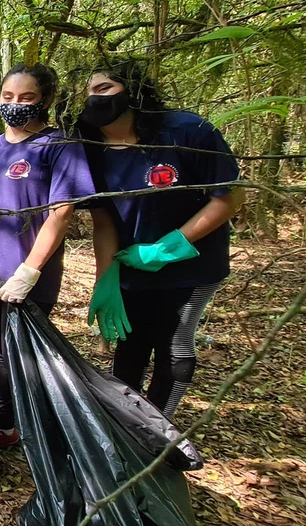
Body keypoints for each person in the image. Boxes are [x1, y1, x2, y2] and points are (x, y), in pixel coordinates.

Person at [78, 59, 242, 420]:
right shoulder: (89, 147)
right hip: (129, 261)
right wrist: (105, 277)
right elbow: (102, 218)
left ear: (133, 91)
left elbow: (228, 197)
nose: (95, 99)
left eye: (104, 89)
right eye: (88, 92)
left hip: (193, 264)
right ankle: (127, 422)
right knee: (131, 342)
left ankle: (161, 427)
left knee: (174, 340)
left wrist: (167, 248)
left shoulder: (186, 130)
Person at [0, 63, 95, 446]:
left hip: (30, 274)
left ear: (44, 101)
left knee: (28, 354)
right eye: (8, 97)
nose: (15, 104)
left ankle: (34, 427)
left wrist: (29, 271)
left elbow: (61, 211)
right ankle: (4, 427)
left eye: (26, 97)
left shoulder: (58, 146)